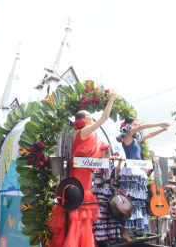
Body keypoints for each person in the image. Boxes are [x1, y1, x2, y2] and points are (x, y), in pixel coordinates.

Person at [49, 89, 118, 247]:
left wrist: (106, 155)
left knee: (82, 214)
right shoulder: (83, 132)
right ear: (83, 119)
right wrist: (112, 98)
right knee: (77, 211)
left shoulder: (92, 136)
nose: (92, 118)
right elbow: (105, 117)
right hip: (78, 176)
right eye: (89, 116)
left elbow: (99, 160)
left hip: (86, 176)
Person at [116, 118, 170, 239]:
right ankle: (124, 232)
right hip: (131, 170)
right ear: (129, 125)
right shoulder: (128, 135)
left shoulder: (135, 139)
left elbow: (149, 134)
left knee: (138, 202)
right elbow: (143, 127)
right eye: (135, 124)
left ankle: (131, 232)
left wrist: (161, 130)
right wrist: (160, 122)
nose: (137, 126)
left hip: (138, 170)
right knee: (131, 200)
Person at [91, 146, 124, 246]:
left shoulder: (110, 162)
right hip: (100, 192)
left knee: (112, 215)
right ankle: (102, 239)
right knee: (101, 216)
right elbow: (100, 177)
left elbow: (116, 174)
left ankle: (113, 237)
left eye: (108, 151)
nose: (108, 153)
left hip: (110, 192)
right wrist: (105, 159)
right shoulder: (98, 162)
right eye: (106, 151)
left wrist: (119, 162)